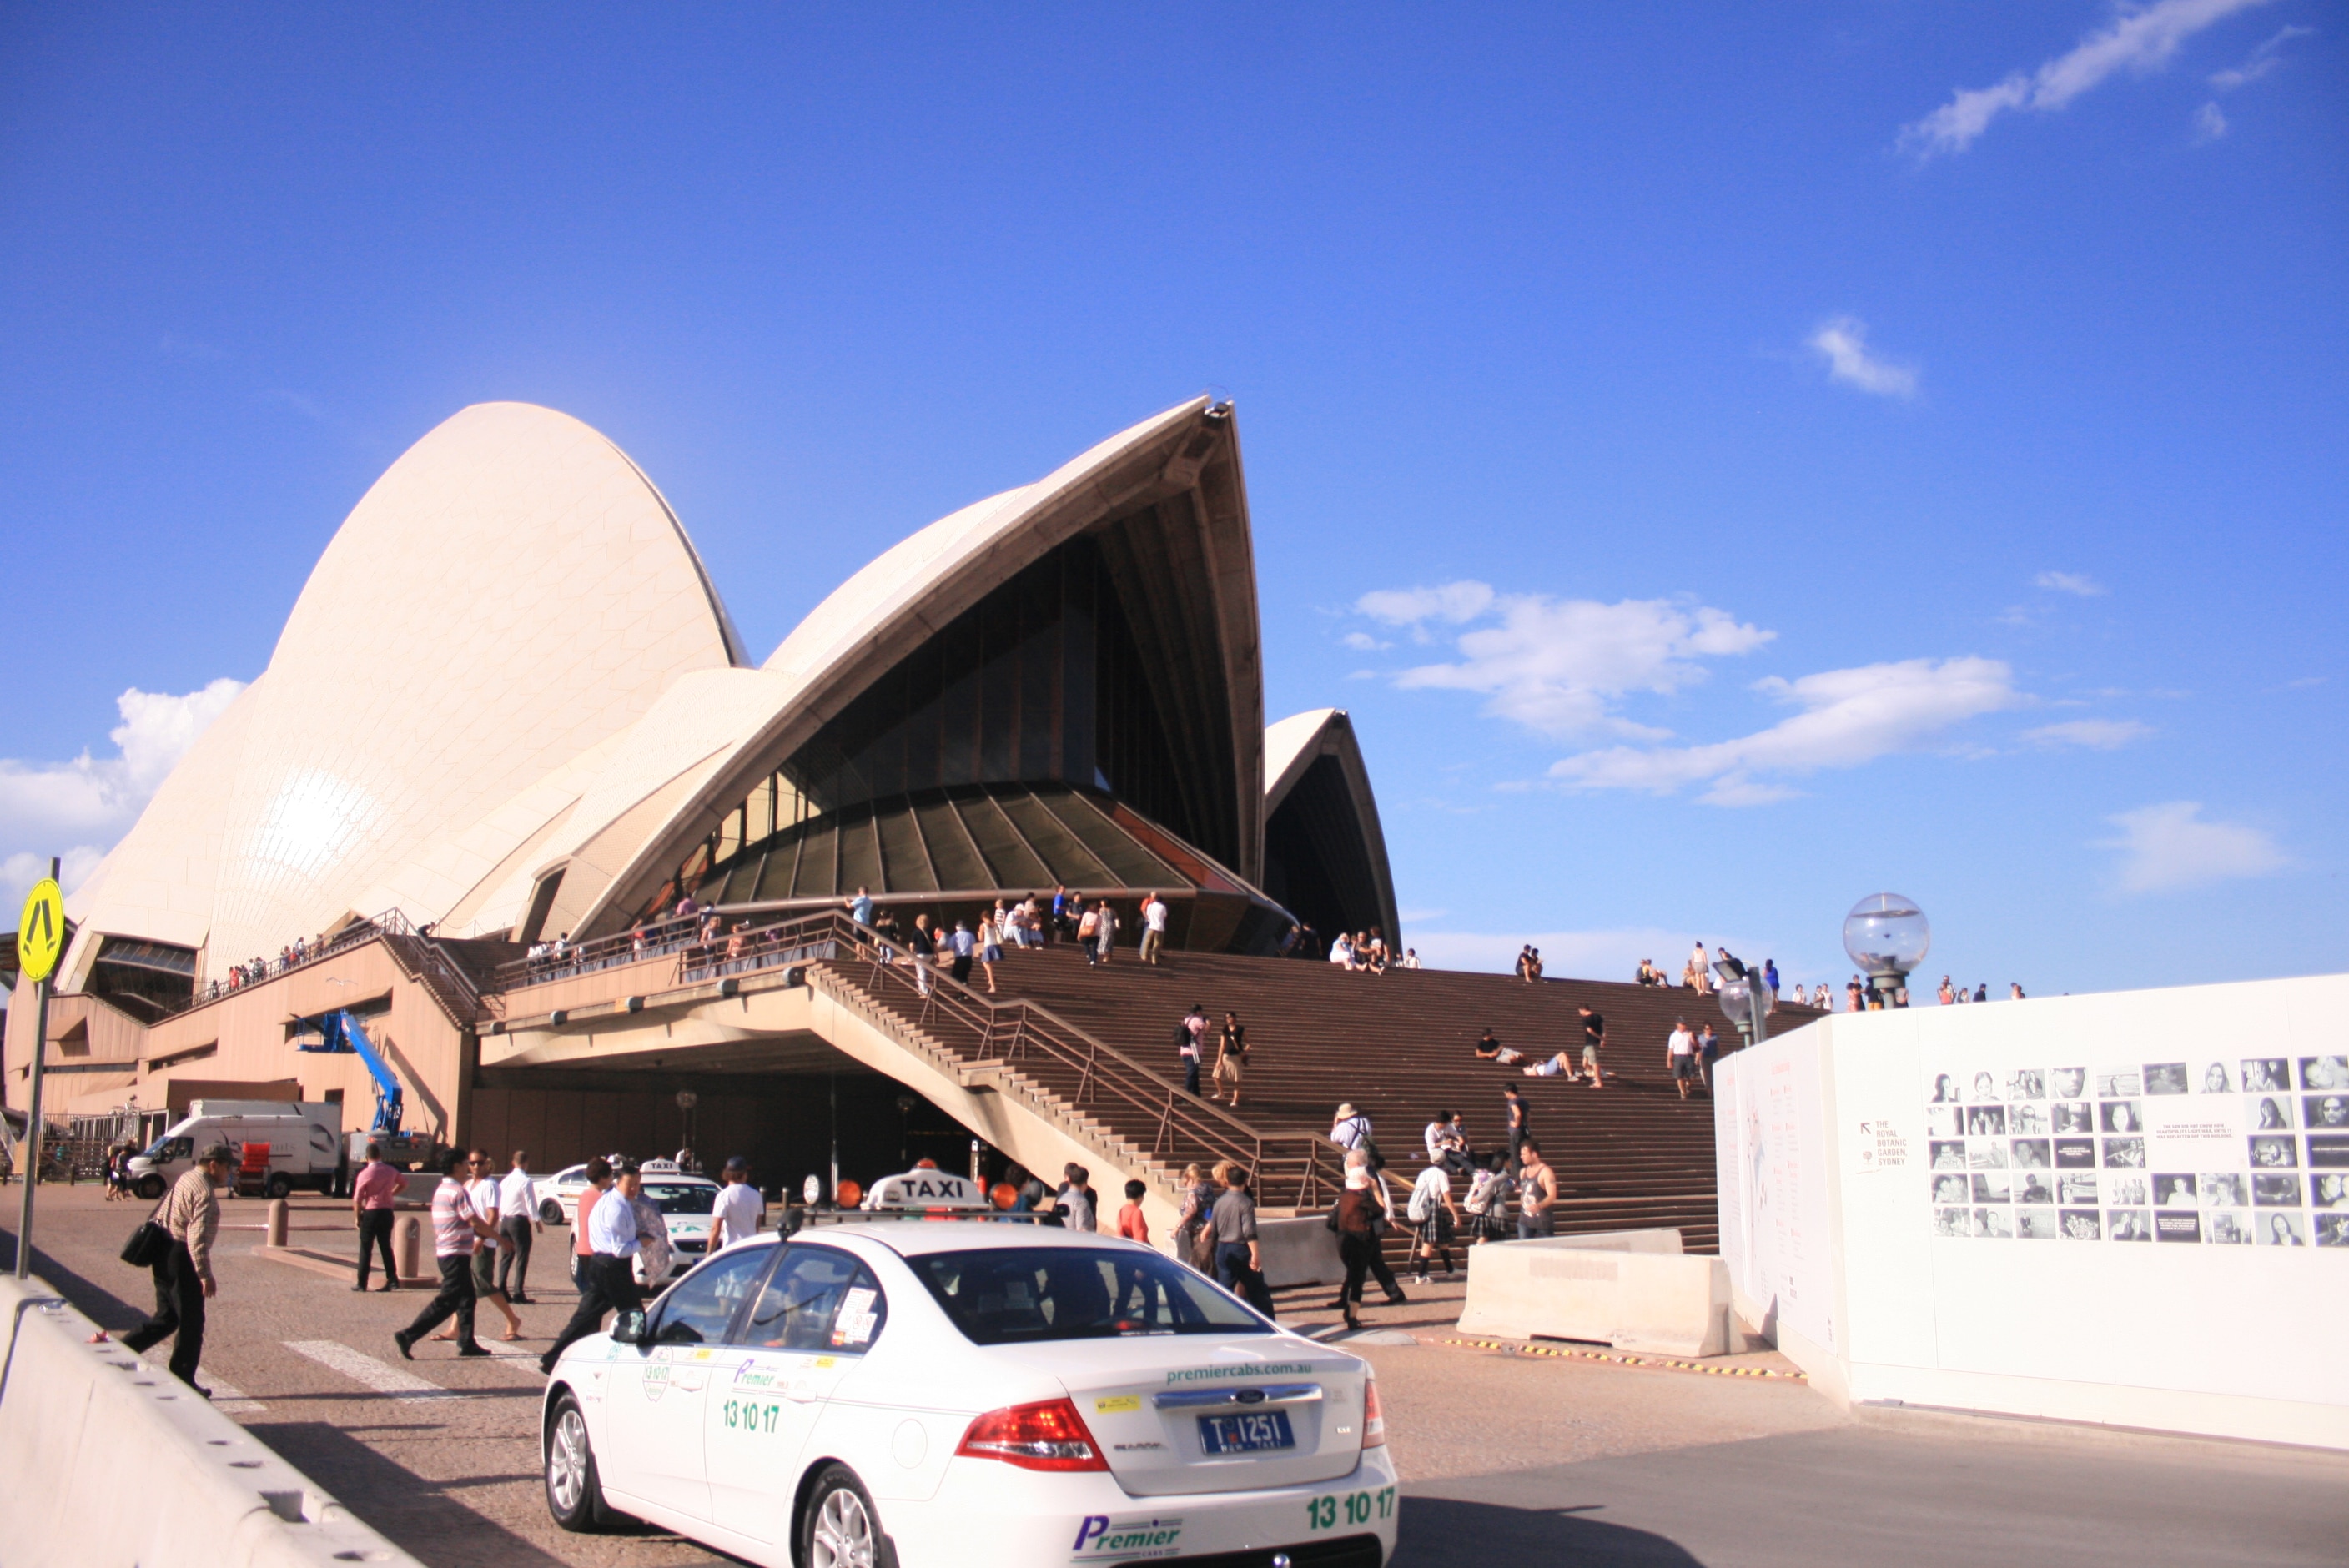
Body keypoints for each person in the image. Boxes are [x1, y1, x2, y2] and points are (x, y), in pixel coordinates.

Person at [122, 1143, 230, 1393]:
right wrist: (205, 1275)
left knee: (167, 1317)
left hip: (163, 1251)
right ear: (213, 1165)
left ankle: (122, 1351)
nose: (228, 1173)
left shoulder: (187, 1177)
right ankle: (183, 1379)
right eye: (226, 1167)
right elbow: (197, 1238)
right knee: (192, 1323)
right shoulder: (204, 1192)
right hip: (183, 1257)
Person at [540, 1160, 646, 1373]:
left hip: (601, 1264)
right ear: (617, 1182)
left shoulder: (611, 1201)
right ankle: (642, 1358)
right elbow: (619, 1249)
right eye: (630, 1184)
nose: (634, 1189)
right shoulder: (616, 1208)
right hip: (613, 1266)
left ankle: (551, 1358)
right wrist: (642, 1243)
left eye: (637, 1184)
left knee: (585, 1317)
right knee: (635, 1315)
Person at [395, 1149, 497, 1360]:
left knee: (467, 1298)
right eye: (466, 1164)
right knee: (448, 1301)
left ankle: (467, 1342)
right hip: (454, 1254)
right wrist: (500, 1239)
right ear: (457, 1166)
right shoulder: (458, 1191)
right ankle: (408, 1335)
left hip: (449, 1252)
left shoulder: (442, 1189)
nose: (470, 1168)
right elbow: (474, 1221)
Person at [435, 1150, 521, 1344]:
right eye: (471, 1163)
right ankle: (455, 1328)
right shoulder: (466, 1185)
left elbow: (492, 1216)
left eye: (479, 1163)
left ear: (487, 1164)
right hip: (467, 1243)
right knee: (465, 1287)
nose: (475, 1167)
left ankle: (512, 1320)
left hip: (483, 1242)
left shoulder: (490, 1185)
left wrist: (482, 1239)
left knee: (483, 1284)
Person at [1210, 1163, 1275, 1316]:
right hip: (1239, 1248)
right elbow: (1249, 1231)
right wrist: (1255, 1254)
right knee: (1258, 1291)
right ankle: (1268, 1323)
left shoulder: (1219, 1201)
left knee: (1224, 1291)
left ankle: (1219, 1322)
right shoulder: (1245, 1202)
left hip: (1222, 1247)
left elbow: (1214, 1228)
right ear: (1244, 1182)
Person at [1326, 1167, 1382, 1329]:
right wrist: (1376, 1190)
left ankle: (1348, 1308)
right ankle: (1351, 1316)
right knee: (1358, 1279)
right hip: (1359, 1240)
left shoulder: (1343, 1197)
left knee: (1352, 1273)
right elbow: (1380, 1210)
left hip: (1342, 1239)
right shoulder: (1363, 1199)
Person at [351, 1141, 406, 1292]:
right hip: (387, 1211)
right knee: (385, 1246)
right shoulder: (390, 1170)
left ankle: (362, 1282)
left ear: (367, 1157)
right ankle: (393, 1279)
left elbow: (357, 1199)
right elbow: (403, 1182)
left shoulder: (364, 1174)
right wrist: (391, 1193)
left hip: (371, 1211)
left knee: (366, 1248)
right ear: (380, 1155)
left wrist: (357, 1218)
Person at [495, 1149, 541, 1303]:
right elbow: (530, 1201)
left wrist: (501, 1218)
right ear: (526, 1163)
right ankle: (518, 1292)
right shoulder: (525, 1181)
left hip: (506, 1220)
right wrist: (536, 1220)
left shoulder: (505, 1181)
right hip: (519, 1221)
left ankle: (501, 1288)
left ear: (513, 1163)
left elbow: (500, 1200)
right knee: (522, 1256)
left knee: (506, 1256)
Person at [1406, 1159, 1459, 1281]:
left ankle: (1450, 1269)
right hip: (1433, 1207)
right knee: (1428, 1243)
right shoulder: (1441, 1174)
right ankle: (1421, 1275)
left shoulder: (1423, 1173)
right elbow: (1446, 1195)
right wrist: (1455, 1214)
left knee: (1443, 1241)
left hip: (1423, 1207)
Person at [569, 1156, 611, 1289]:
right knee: (596, 1294)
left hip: (582, 1249)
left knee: (587, 1292)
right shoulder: (602, 1199)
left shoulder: (584, 1195)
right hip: (596, 1251)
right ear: (602, 1177)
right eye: (610, 1176)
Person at [710, 1155, 764, 1251]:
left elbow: (715, 1228)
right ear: (743, 1174)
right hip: (750, 1248)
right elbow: (757, 1225)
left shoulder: (724, 1196)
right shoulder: (756, 1195)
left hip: (731, 1250)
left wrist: (708, 1254)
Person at [1516, 1140, 1557, 1239]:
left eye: (1524, 1155)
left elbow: (1552, 1196)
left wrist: (1539, 1206)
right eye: (1521, 1154)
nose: (1521, 1157)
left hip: (1542, 1221)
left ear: (1534, 1154)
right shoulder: (1523, 1172)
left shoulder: (1546, 1172)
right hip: (1525, 1220)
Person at [1211, 1012, 1248, 1107]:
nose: (1229, 1019)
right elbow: (1222, 1045)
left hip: (1236, 1057)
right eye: (1227, 1017)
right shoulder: (1225, 1030)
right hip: (1226, 1056)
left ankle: (1235, 1100)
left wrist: (1244, 1052)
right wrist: (1219, 1059)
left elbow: (1249, 1042)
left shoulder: (1240, 1029)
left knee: (1237, 1080)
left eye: (1230, 1017)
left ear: (1234, 1018)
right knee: (1216, 1075)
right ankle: (1221, 1093)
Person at [1057, 1163, 1098, 1231]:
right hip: (1076, 1240)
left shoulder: (1061, 1199)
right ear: (1085, 1184)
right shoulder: (1081, 1202)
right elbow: (1082, 1229)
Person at [1177, 1003, 1206, 1097]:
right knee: (1192, 1073)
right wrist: (1208, 1022)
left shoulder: (1185, 1020)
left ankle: (1196, 1094)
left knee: (1194, 1073)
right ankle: (1186, 1095)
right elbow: (1207, 1030)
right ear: (1198, 1012)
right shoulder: (1198, 1020)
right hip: (1194, 1051)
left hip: (1184, 1050)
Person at [1667, 1019, 1698, 1100]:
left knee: (1692, 1076)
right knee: (1679, 1076)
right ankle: (1683, 1093)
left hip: (1689, 1056)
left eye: (1685, 1024)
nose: (1684, 1025)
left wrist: (1692, 1038)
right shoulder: (1673, 1036)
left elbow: (1696, 1046)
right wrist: (1669, 1060)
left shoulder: (1689, 1034)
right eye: (1682, 1024)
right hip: (1678, 1057)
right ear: (1678, 1025)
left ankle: (1688, 1085)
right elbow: (1671, 1049)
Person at [1578, 1007, 1607, 1087]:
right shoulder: (1598, 1017)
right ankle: (1589, 1071)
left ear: (1583, 1010)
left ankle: (1598, 1082)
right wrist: (1603, 1039)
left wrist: (1600, 1038)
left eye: (1580, 1011)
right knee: (1585, 1060)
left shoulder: (1585, 1019)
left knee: (1594, 1062)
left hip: (1591, 1043)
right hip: (1589, 1044)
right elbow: (1604, 1028)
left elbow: (1589, 1030)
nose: (1580, 1013)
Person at [1114, 1179, 1150, 1243]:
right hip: (1137, 1250)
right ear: (1140, 1196)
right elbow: (1139, 1237)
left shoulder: (1122, 1210)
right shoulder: (1136, 1212)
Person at [975, 910, 1002, 994]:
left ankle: (992, 984)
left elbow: (981, 939)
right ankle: (991, 979)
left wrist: (979, 933)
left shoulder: (983, 925)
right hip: (995, 945)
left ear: (983, 918)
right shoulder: (994, 924)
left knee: (987, 965)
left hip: (988, 945)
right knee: (987, 963)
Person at [1139, 892, 1169, 965]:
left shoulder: (1150, 906)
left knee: (1147, 941)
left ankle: (1144, 956)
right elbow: (1165, 916)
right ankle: (1154, 960)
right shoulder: (1162, 907)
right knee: (1157, 943)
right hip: (1159, 927)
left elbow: (1147, 914)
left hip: (1151, 926)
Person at [1503, 1085, 1529, 1165]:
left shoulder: (1512, 1101)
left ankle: (1517, 1176)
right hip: (1524, 1130)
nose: (1505, 1096)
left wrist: (1516, 1123)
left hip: (1515, 1132)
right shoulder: (1524, 1102)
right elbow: (1528, 1116)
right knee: (1523, 1154)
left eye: (1505, 1093)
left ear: (1509, 1092)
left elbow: (1517, 1114)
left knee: (1515, 1156)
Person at [1696, 1023, 1720, 1093]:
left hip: (1714, 1057)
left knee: (1714, 1074)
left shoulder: (1715, 1037)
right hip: (1704, 1058)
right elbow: (1698, 1049)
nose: (1709, 1030)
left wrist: (1721, 1056)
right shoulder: (1700, 1038)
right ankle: (1709, 1091)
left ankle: (1714, 1090)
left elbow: (1719, 1047)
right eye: (1707, 1029)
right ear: (1704, 1030)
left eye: (1710, 1029)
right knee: (1706, 1075)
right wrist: (1697, 1058)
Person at [1093, 900, 1118, 965]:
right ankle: (1108, 954)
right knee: (1105, 939)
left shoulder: (1108, 910)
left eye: (1102, 902)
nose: (1101, 903)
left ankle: (1107, 955)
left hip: (1107, 925)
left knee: (1107, 940)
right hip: (1104, 926)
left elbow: (1116, 918)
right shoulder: (1107, 910)